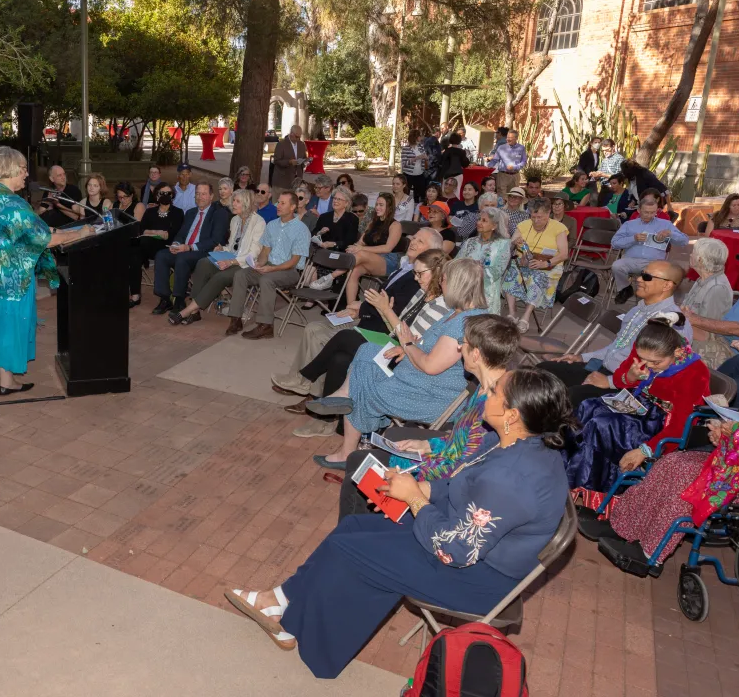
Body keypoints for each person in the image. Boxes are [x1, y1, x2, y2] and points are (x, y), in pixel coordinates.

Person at [225, 368, 570, 676]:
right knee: (353, 528)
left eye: (495, 392)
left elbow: (455, 552)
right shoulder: (510, 441)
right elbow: (459, 483)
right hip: (459, 537)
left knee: (349, 550)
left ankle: (307, 639)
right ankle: (280, 602)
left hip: (475, 579)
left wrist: (415, 500)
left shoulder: (511, 479)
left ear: (512, 414)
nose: (487, 393)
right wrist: (420, 487)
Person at [306, 259, 489, 468]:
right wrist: (407, 347)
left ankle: (346, 451)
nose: (441, 285)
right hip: (418, 380)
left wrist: (409, 344)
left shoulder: (463, 323)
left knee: (363, 384)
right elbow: (431, 348)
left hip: (430, 396)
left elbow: (431, 366)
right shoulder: (458, 313)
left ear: (458, 284)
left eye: (445, 280)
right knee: (369, 351)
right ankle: (344, 396)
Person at [338, 314, 520, 515]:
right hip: (443, 457)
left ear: (476, 355)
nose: (460, 348)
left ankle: (358, 529)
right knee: (358, 461)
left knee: (359, 475)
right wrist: (425, 445)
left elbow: (459, 470)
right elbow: (460, 441)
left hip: (442, 481)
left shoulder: (492, 409)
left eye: (463, 343)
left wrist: (409, 476)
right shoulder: (487, 388)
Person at [0, 148, 90, 394]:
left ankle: (6, 381)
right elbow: (42, 238)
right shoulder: (12, 203)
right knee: (3, 331)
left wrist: (52, 230)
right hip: (6, 282)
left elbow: (22, 231)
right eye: (23, 169)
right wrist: (80, 233)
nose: (27, 174)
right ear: (11, 169)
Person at [270, 228, 446, 415]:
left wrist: (361, 310)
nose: (413, 241)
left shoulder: (418, 281)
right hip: (374, 321)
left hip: (379, 329)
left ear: (432, 256)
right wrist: (361, 306)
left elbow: (392, 311)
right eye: (414, 237)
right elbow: (384, 301)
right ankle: (306, 386)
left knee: (321, 334)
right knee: (315, 328)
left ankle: (309, 389)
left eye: (420, 242)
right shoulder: (406, 269)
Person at [588, 418, 739, 575]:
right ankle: (624, 525)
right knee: (672, 462)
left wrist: (738, 435)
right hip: (733, 457)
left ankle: (652, 553)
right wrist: (724, 429)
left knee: (687, 478)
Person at [563, 316, 709, 495]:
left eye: (656, 363)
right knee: (587, 407)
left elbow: (682, 425)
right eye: (642, 359)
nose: (648, 366)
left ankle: (586, 490)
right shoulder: (646, 349)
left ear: (678, 352)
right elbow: (618, 379)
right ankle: (564, 471)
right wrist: (632, 376)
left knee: (602, 425)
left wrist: (645, 450)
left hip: (661, 424)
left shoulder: (694, 373)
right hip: (638, 404)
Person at [539, 260, 692, 407]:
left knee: (568, 398)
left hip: (629, 387)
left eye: (647, 277)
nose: (638, 279)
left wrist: (610, 381)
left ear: (667, 285)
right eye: (641, 274)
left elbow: (660, 371)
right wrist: (582, 357)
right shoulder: (637, 309)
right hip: (604, 368)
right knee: (543, 372)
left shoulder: (673, 323)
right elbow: (616, 347)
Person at [685, 245, 739, 411]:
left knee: (684, 358)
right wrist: (686, 320)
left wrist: (694, 319)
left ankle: (696, 406)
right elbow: (726, 328)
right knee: (675, 336)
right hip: (725, 344)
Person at [167, 189, 266, 326]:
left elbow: (253, 253)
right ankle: (195, 312)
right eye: (234, 201)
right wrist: (222, 249)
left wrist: (231, 261)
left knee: (220, 277)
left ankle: (188, 310)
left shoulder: (259, 222)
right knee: (203, 263)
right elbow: (232, 246)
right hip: (230, 258)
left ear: (247, 203)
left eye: (237, 201)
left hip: (245, 264)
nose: (233, 204)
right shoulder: (235, 220)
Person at [225, 190, 312, 339]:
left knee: (267, 280)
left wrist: (272, 269)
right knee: (241, 274)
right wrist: (259, 264)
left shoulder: (301, 229)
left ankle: (266, 326)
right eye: (278, 202)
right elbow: (265, 251)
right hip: (270, 266)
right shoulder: (272, 225)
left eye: (283, 203)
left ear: (292, 207)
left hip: (289, 271)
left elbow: (294, 261)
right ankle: (236, 319)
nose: (278, 205)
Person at [151, 182, 230, 315]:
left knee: (183, 258)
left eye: (204, 194)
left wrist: (189, 247)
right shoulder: (190, 212)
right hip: (185, 249)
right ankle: (165, 298)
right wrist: (176, 244)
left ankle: (179, 299)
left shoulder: (219, 213)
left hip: (204, 252)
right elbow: (181, 234)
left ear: (211, 196)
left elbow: (215, 240)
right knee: (161, 255)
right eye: (197, 194)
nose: (200, 197)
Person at [503, 197, 569, 334]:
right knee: (511, 273)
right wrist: (516, 242)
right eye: (533, 217)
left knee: (538, 277)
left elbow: (563, 254)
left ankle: (526, 317)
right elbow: (512, 241)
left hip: (550, 264)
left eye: (540, 217)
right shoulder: (524, 224)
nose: (536, 221)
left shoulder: (559, 228)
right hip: (526, 260)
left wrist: (545, 263)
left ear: (548, 213)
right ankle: (512, 312)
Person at [610, 191, 689, 303]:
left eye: (653, 213)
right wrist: (633, 239)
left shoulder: (665, 224)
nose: (649, 215)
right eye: (646, 212)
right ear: (638, 210)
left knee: (653, 276)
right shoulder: (629, 224)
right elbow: (614, 243)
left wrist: (671, 234)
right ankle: (625, 288)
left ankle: (645, 301)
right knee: (616, 266)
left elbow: (684, 241)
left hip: (654, 262)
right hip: (631, 260)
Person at [128, 182, 184, 307]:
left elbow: (171, 234)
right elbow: (141, 229)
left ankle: (163, 297)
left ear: (173, 195)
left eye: (168, 193)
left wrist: (152, 232)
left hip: (167, 247)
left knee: (141, 245)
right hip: (148, 246)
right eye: (162, 193)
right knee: (134, 252)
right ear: (157, 196)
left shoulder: (177, 212)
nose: (165, 195)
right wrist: (156, 232)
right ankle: (135, 294)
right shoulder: (150, 212)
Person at [682, 237, 734, 368]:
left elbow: (707, 332)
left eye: (693, 252)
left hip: (701, 347)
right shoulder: (703, 279)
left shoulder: (717, 288)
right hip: (689, 334)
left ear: (700, 259)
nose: (690, 254)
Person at [457, 206, 512, 314]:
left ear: (494, 226)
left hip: (487, 292)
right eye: (479, 219)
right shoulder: (470, 242)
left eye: (484, 220)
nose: (479, 222)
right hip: (464, 288)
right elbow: (457, 262)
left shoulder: (503, 244)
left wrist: (473, 273)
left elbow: (496, 271)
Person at [488, 129, 527, 194]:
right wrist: (489, 167)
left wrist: (514, 167)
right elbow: (495, 159)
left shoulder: (521, 148)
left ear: (516, 138)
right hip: (503, 175)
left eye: (510, 138)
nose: (508, 139)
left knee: (513, 195)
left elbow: (524, 161)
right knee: (501, 196)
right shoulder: (501, 147)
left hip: (515, 176)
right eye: (507, 137)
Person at [273, 124, 307, 191]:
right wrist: (289, 162)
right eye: (296, 137)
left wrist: (306, 162)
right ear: (291, 133)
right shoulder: (281, 144)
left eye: (299, 137)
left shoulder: (301, 145)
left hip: (297, 181)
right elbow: (276, 161)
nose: (298, 139)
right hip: (283, 181)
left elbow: (304, 158)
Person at [401, 130, 429, 202]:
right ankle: (404, 208)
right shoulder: (406, 148)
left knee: (420, 194)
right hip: (408, 175)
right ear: (415, 137)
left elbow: (426, 157)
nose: (421, 138)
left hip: (420, 174)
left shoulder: (421, 147)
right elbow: (404, 163)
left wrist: (426, 157)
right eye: (419, 136)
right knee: (405, 193)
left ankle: (417, 209)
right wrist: (416, 158)